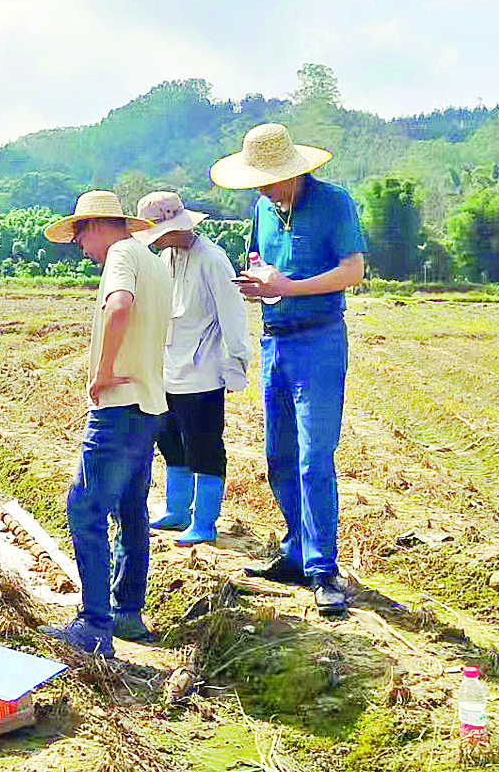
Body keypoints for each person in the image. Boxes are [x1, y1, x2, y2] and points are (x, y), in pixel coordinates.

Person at [211, 123, 367, 617]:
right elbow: (261, 259)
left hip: (319, 340)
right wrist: (258, 280)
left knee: (313, 457)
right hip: (275, 339)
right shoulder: (262, 208)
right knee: (279, 454)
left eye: (270, 179)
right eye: (257, 181)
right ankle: (296, 549)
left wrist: (290, 286)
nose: (263, 188)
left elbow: (353, 271)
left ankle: (324, 569)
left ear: (295, 171)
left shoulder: (333, 202)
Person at [38, 191, 171, 657]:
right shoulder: (155, 261)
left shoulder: (119, 253)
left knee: (85, 508)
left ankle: (94, 624)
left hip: (120, 404)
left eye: (78, 237)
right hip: (152, 403)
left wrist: (102, 372)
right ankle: (126, 612)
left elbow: (118, 307)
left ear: (95, 226)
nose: (79, 248)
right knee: (131, 509)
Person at [135, 191, 250, 562]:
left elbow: (233, 314)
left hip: (202, 374)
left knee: (204, 447)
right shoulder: (167, 259)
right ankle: (177, 510)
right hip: (168, 370)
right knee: (170, 443)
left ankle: (204, 519)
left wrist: (236, 362)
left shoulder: (212, 259)